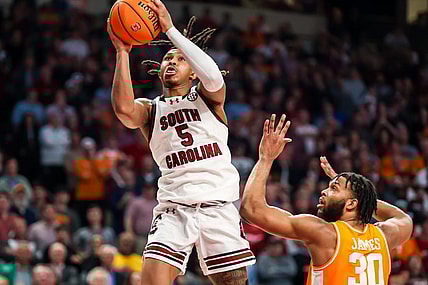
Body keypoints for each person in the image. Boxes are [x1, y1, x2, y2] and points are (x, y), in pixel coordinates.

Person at [107, 0, 254, 284]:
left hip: (217, 206)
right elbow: (124, 111)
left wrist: (171, 31)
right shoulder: (151, 109)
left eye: (180, 59)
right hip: (174, 209)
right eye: (167, 59)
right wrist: (122, 53)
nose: (172, 62)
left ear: (193, 72)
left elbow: (212, 75)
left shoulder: (208, 98)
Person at [240, 114, 414, 284]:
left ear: (352, 203)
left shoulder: (325, 234)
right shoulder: (384, 236)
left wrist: (266, 158)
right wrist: (359, 195)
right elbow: (403, 219)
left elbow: (252, 210)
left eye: (333, 188)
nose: (323, 191)